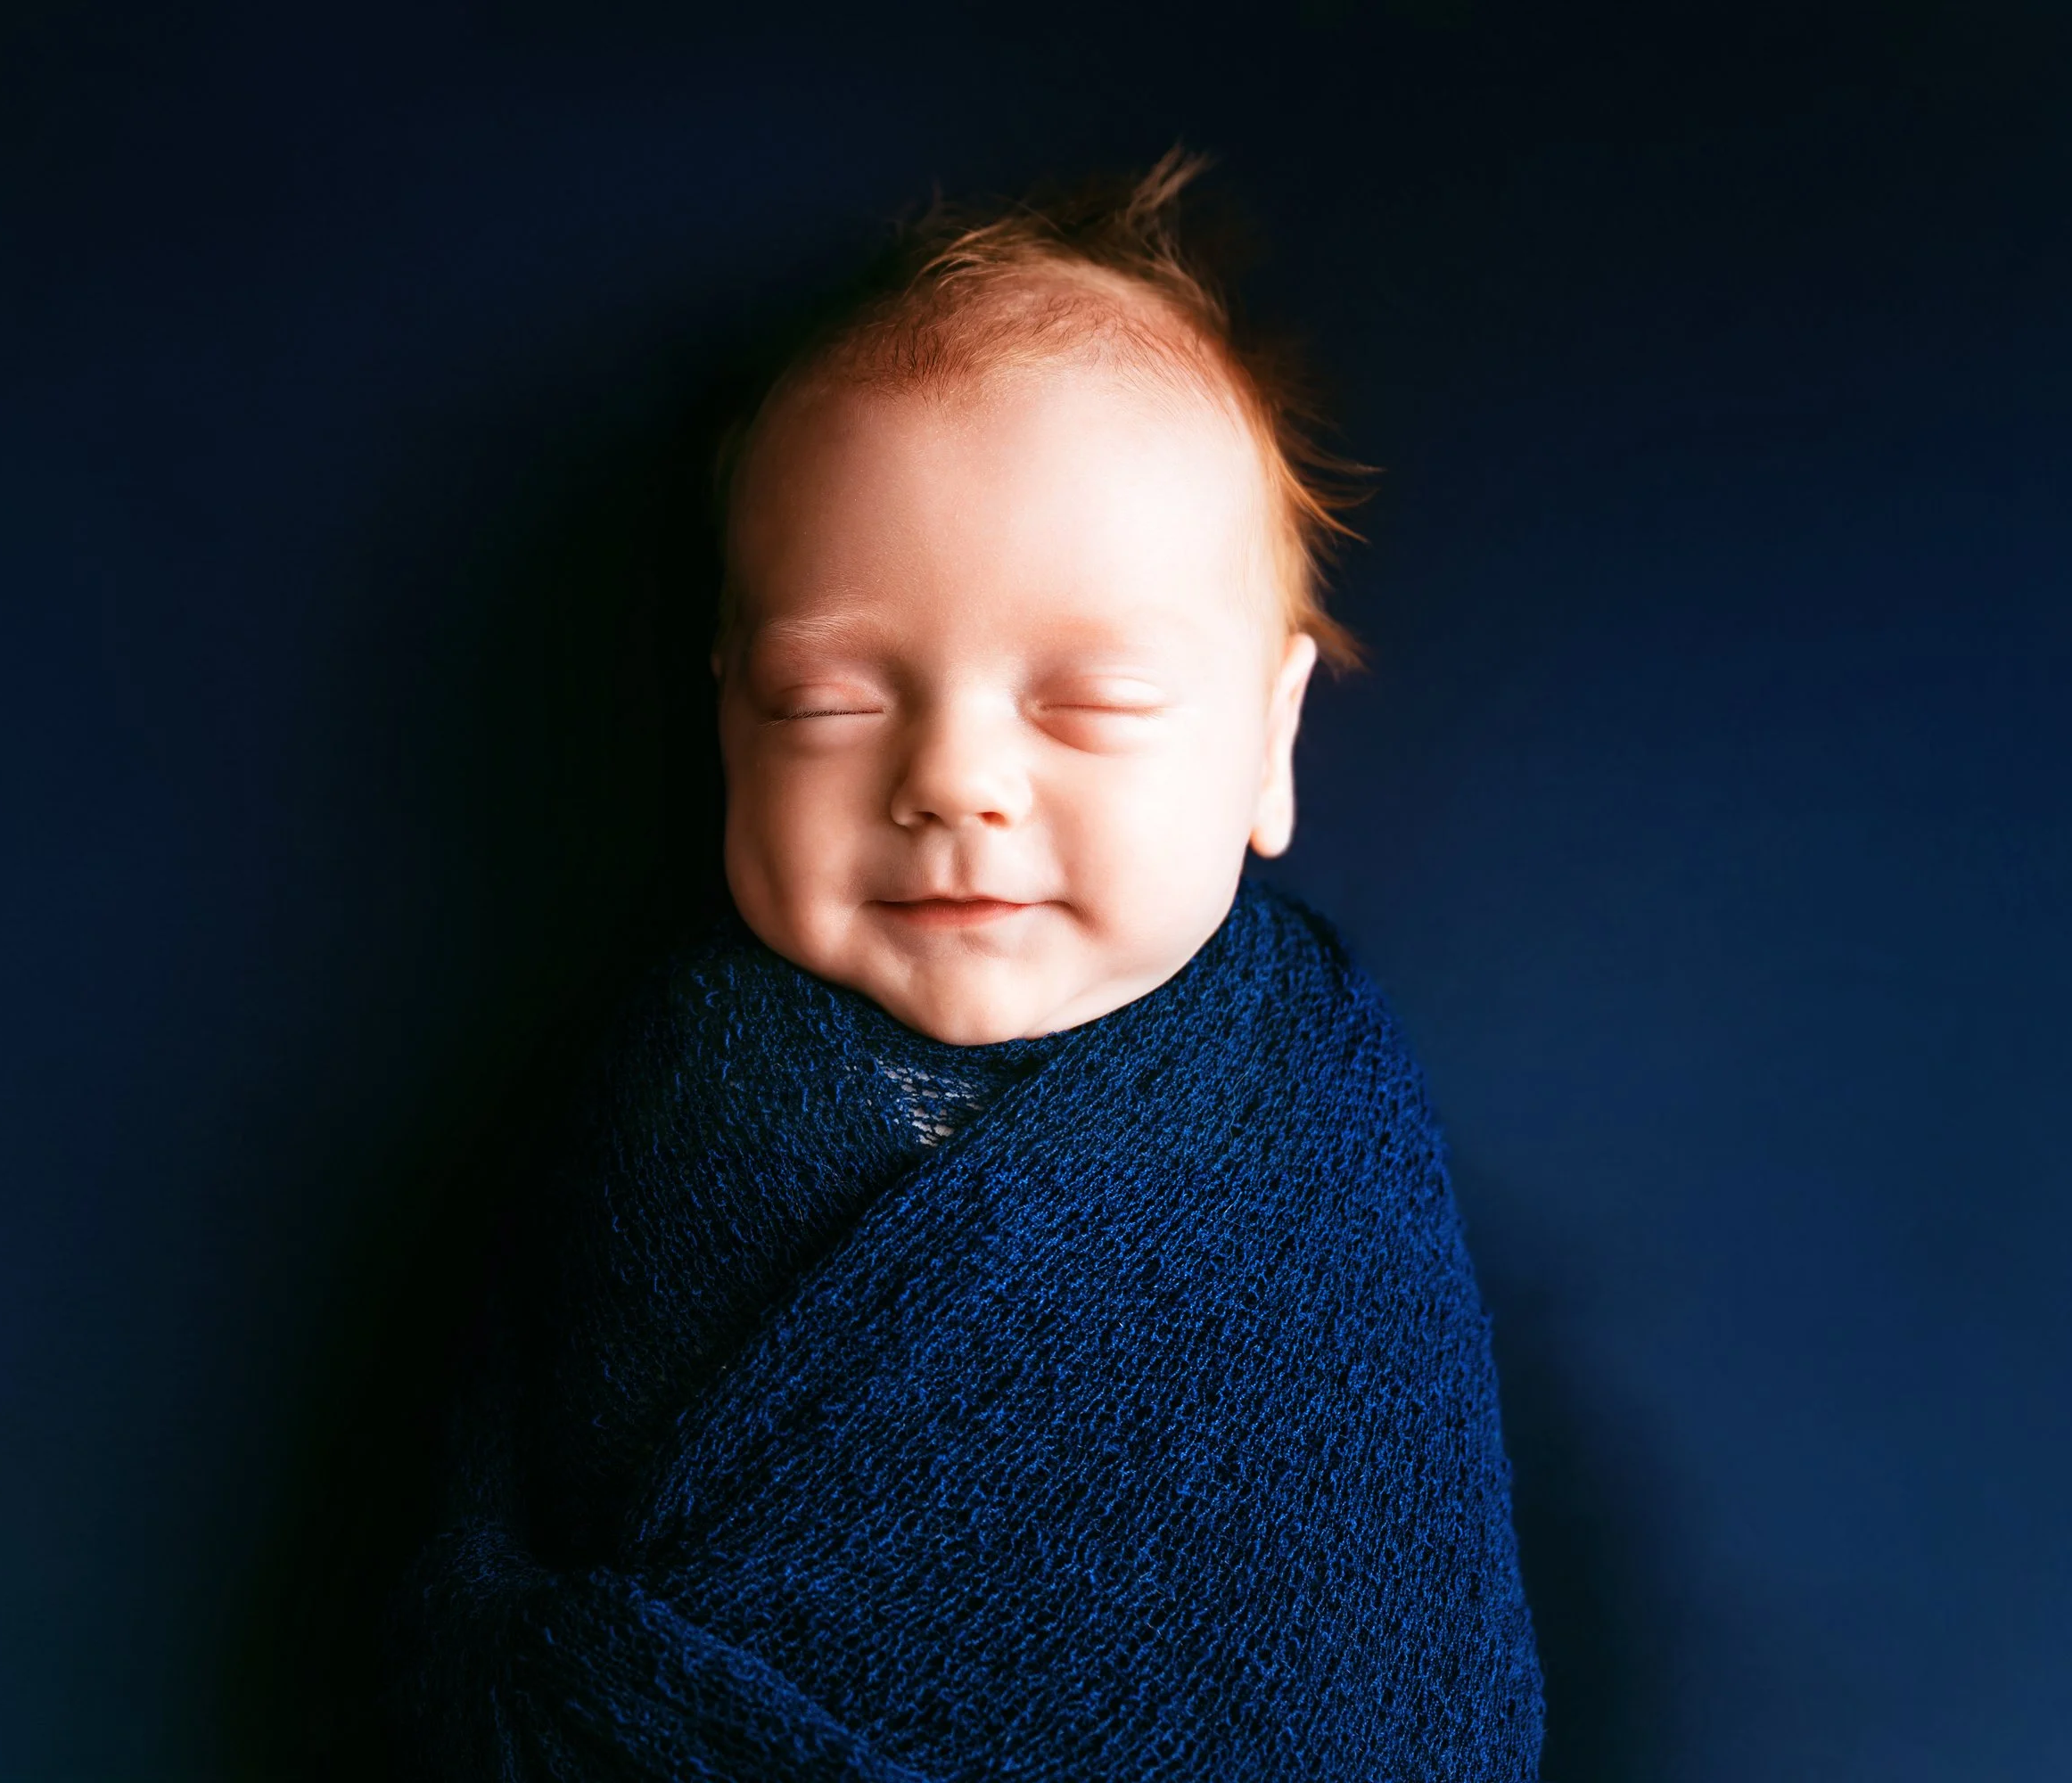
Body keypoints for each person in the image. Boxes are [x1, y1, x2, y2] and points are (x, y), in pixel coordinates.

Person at [402, 150, 1544, 1779]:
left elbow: (1397, 1641)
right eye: (827, 701)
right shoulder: (667, 1094)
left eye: (1090, 708)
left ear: (1269, 742)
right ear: (728, 715)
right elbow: (507, 1531)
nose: (955, 780)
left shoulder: (1315, 1133)